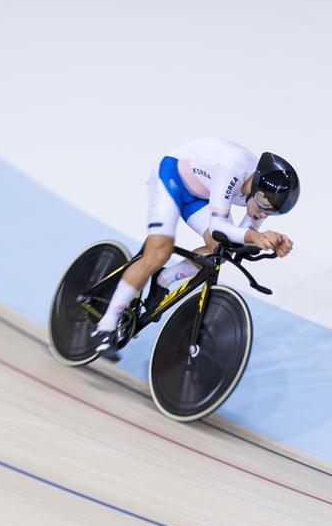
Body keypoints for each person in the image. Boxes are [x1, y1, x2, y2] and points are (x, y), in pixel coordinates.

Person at [92, 137, 299, 360]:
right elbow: (219, 226)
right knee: (159, 252)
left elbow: (237, 240)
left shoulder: (260, 198)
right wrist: (255, 236)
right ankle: (104, 327)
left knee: (221, 249)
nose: (264, 213)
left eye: (273, 211)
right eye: (264, 204)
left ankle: (163, 279)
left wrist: (272, 243)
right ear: (256, 183)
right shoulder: (232, 168)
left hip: (200, 195)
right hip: (171, 178)